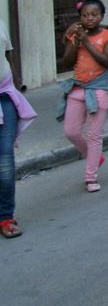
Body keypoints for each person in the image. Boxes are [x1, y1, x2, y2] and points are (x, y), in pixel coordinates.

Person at [58, 0, 108, 193]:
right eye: (84, 15)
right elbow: (67, 62)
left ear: (101, 16)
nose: (89, 18)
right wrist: (76, 40)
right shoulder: (76, 35)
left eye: (94, 15)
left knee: (94, 135)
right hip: (78, 86)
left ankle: (90, 177)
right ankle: (94, 157)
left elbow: (106, 61)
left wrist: (87, 42)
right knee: (71, 131)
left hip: (100, 87)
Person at [0, 18, 37, 238]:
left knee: (5, 160)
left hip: (4, 95)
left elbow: (7, 55)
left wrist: (15, 85)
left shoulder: (1, 22)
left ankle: (6, 217)